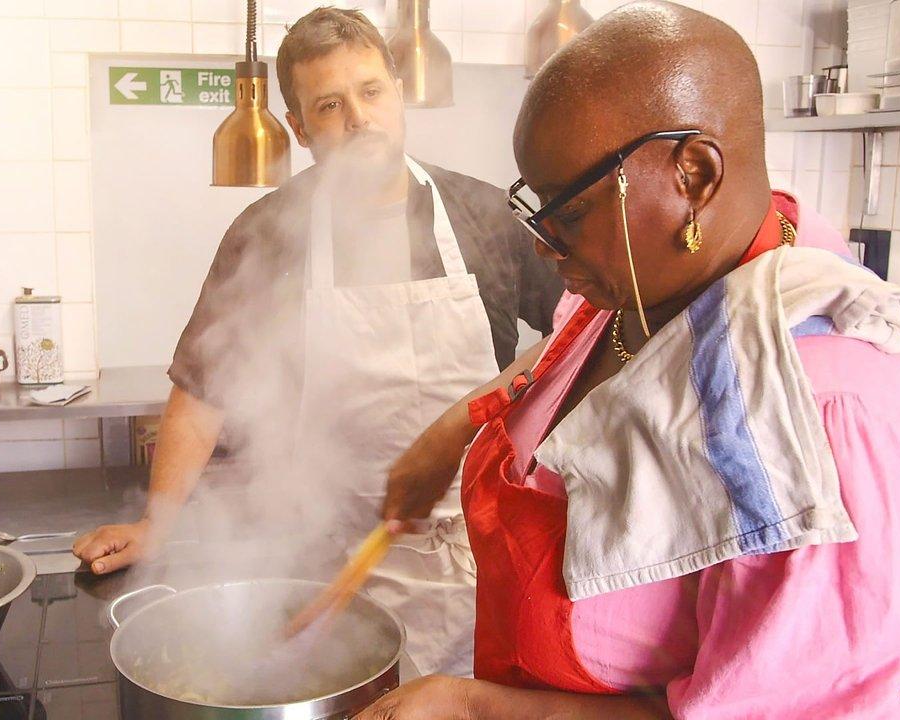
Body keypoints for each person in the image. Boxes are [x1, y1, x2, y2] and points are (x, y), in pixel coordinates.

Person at [359, 2, 900, 718]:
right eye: (539, 212)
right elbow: (566, 356)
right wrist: (454, 428)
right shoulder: (655, 276)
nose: (544, 246)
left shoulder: (820, 426)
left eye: (571, 214)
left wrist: (475, 710)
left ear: (695, 174)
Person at [72, 7, 563, 677]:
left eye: (370, 91)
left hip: (471, 551)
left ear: (397, 92)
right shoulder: (268, 235)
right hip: (329, 556)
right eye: (329, 105)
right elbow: (202, 389)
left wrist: (481, 420)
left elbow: (583, 330)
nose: (358, 118)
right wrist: (159, 522)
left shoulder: (486, 216)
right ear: (300, 129)